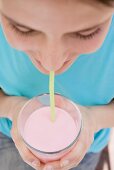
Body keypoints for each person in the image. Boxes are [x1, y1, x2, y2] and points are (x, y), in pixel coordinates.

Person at [0, 0, 114, 170]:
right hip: (6, 134)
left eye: (86, 33)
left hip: (88, 147)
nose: (51, 65)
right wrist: (11, 108)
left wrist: (94, 119)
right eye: (23, 29)